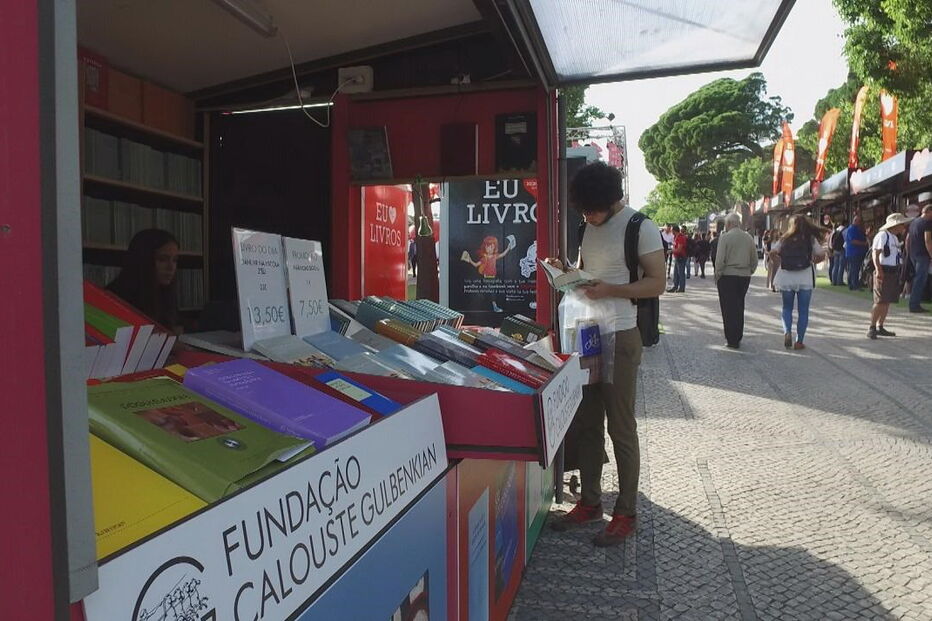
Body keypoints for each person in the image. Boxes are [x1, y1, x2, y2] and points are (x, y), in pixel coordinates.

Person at [547, 161, 665, 546]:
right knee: (587, 420)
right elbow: (587, 271)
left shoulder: (640, 227)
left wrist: (610, 290)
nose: (587, 217)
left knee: (621, 425)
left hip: (622, 330)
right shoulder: (586, 225)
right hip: (588, 331)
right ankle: (590, 501)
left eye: (592, 210)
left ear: (612, 201)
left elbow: (657, 284)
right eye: (583, 211)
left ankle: (626, 511)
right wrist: (566, 271)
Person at [107, 228, 180, 332]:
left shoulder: (164, 293)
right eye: (162, 259)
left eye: (175, 260)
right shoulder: (115, 299)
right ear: (143, 260)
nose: (171, 267)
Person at [770, 215, 827, 350]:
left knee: (787, 308)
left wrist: (780, 261)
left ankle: (787, 332)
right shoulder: (810, 239)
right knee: (803, 311)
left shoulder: (784, 239)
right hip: (805, 277)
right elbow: (821, 254)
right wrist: (813, 261)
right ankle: (799, 341)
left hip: (787, 278)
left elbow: (772, 253)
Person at [713, 213, 759, 349]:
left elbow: (720, 259)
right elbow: (754, 259)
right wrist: (750, 271)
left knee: (728, 308)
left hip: (728, 275)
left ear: (728, 224)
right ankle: (738, 335)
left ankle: (731, 338)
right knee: (739, 306)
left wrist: (718, 274)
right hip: (744, 276)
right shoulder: (748, 238)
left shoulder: (725, 238)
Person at [868, 213, 913, 339]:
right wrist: (878, 270)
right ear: (896, 224)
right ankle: (872, 327)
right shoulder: (882, 235)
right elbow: (875, 254)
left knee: (887, 301)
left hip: (893, 271)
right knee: (880, 301)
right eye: (902, 224)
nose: (903, 226)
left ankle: (880, 326)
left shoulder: (893, 237)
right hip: (884, 271)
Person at [906, 199, 932, 313]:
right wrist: (931, 254)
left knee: (917, 279)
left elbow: (907, 239)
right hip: (922, 255)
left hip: (913, 254)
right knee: (920, 279)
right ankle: (914, 305)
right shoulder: (927, 223)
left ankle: (914, 303)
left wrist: (908, 252)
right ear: (929, 212)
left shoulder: (914, 222)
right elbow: (928, 240)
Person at [844, 215, 869, 290]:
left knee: (853, 269)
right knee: (855, 269)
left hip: (855, 252)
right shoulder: (852, 229)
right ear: (855, 221)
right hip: (854, 253)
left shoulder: (856, 229)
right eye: (859, 221)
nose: (860, 222)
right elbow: (853, 241)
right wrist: (864, 243)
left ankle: (852, 284)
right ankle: (854, 285)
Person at [667, 225, 689, 293]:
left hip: (681, 257)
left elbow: (679, 249)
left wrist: (671, 251)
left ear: (674, 230)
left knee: (681, 273)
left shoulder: (680, 237)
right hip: (677, 257)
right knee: (676, 273)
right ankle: (675, 286)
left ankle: (681, 288)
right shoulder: (676, 237)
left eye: (672, 231)